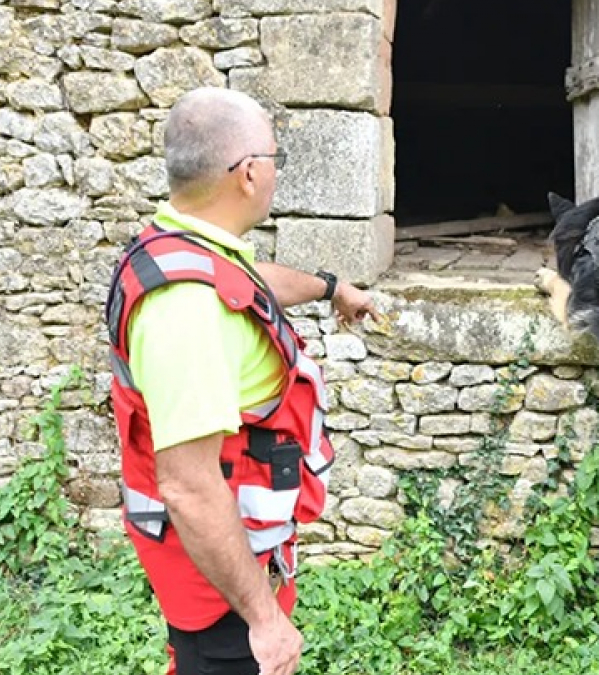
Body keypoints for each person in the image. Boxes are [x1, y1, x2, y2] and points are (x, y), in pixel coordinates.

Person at [104, 86, 381, 675]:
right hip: (224, 608)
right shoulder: (186, 312)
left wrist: (333, 289)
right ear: (249, 174)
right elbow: (189, 486)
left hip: (230, 573)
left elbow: (248, 278)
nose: (276, 173)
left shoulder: (181, 245)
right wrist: (265, 621)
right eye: (275, 159)